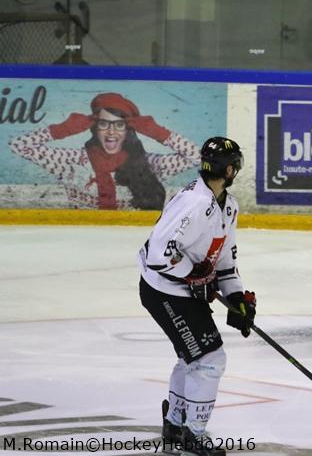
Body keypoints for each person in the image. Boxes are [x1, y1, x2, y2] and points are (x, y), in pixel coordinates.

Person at [139, 136, 256, 456]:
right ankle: (193, 433)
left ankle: (176, 425)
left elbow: (225, 258)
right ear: (230, 169)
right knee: (210, 358)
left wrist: (236, 297)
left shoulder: (227, 206)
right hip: (163, 290)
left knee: (193, 356)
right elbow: (159, 256)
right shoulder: (193, 202)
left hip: (184, 289)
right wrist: (194, 276)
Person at [8, 92, 200, 210]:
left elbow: (198, 156)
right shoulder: (70, 161)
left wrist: (157, 132)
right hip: (80, 239)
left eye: (119, 125)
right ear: (93, 127)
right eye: (104, 124)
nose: (111, 131)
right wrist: (63, 129)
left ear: (128, 130)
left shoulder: (149, 164)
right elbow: (19, 146)